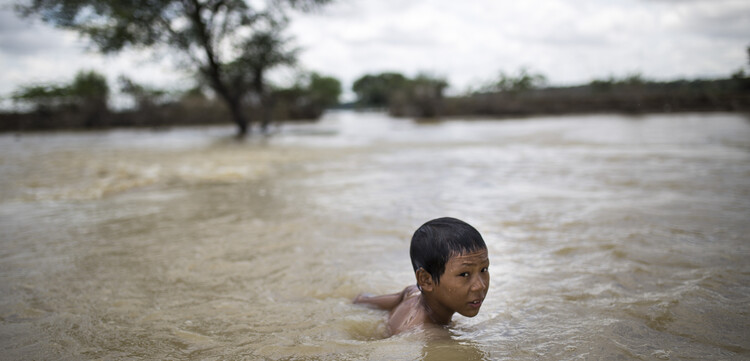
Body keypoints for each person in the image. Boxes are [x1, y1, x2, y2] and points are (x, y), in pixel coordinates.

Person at [354, 217, 490, 335]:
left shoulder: (412, 293)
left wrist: (357, 300)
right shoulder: (423, 335)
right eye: (464, 274)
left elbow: (364, 301)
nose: (480, 285)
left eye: (484, 269)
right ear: (426, 280)